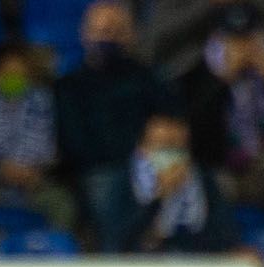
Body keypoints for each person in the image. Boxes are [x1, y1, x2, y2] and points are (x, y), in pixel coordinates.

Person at [56, 2, 178, 246]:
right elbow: (75, 144)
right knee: (110, 188)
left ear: (129, 35)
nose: (106, 38)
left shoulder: (147, 78)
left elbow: (169, 122)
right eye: (100, 31)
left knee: (180, 178)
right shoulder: (70, 85)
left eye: (113, 31)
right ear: (85, 34)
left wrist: (149, 159)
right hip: (98, 171)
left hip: (149, 164)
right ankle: (119, 263)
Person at [182, 4, 264, 226]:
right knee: (207, 191)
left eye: (249, 38)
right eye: (234, 40)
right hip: (226, 172)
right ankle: (225, 253)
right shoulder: (198, 77)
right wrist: (221, 82)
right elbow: (193, 138)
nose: (244, 47)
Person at [0, 41, 78, 253]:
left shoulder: (46, 102)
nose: (13, 79)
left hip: (36, 182)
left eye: (19, 73)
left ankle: (52, 260)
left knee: (64, 203)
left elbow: (60, 150)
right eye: (7, 73)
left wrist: (38, 171)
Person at [109, 112, 243, 252]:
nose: (172, 156)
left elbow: (224, 232)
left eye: (178, 148)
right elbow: (118, 242)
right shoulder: (124, 182)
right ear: (143, 148)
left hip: (196, 263)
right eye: (163, 147)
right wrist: (159, 197)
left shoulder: (204, 179)